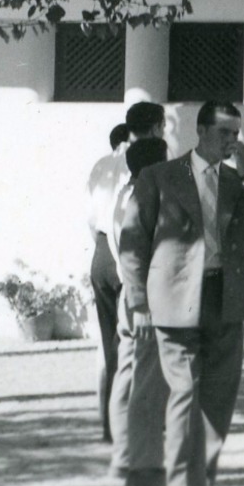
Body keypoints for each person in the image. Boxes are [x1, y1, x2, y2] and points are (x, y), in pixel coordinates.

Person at [116, 101, 244, 486]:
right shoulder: (160, 177)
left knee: (218, 398)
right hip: (173, 303)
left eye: (237, 133)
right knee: (185, 395)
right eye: (226, 133)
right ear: (202, 132)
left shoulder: (237, 182)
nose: (233, 141)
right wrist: (138, 304)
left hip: (223, 301)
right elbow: (133, 243)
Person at [85, 102, 166, 443]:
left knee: (109, 347)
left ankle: (110, 425)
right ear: (156, 127)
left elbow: (92, 218)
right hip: (130, 254)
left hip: (102, 249)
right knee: (134, 343)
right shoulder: (146, 160)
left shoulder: (103, 163)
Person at [109, 136, 171, 486]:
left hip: (129, 295)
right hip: (143, 297)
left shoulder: (123, 195)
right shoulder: (142, 198)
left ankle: (125, 456)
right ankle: (145, 467)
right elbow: (136, 252)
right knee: (148, 384)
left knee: (129, 376)